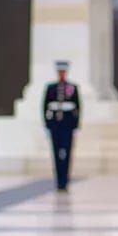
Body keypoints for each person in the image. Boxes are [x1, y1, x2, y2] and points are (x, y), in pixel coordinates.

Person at [43, 60, 80, 191]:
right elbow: (45, 106)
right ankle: (59, 181)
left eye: (63, 71)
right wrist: (47, 125)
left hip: (67, 125)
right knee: (56, 152)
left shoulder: (72, 87)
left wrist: (76, 126)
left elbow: (77, 108)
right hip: (55, 125)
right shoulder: (51, 88)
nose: (62, 74)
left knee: (67, 153)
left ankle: (65, 180)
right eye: (60, 72)